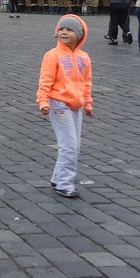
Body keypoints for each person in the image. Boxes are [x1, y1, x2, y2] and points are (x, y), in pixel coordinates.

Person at [35, 15, 93, 200]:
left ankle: (58, 177)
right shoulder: (52, 55)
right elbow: (45, 80)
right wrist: (42, 101)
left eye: (69, 30)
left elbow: (86, 82)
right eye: (61, 29)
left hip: (76, 105)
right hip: (58, 103)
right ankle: (65, 183)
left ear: (79, 35)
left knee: (74, 145)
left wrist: (87, 102)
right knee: (68, 145)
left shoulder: (84, 58)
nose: (64, 32)